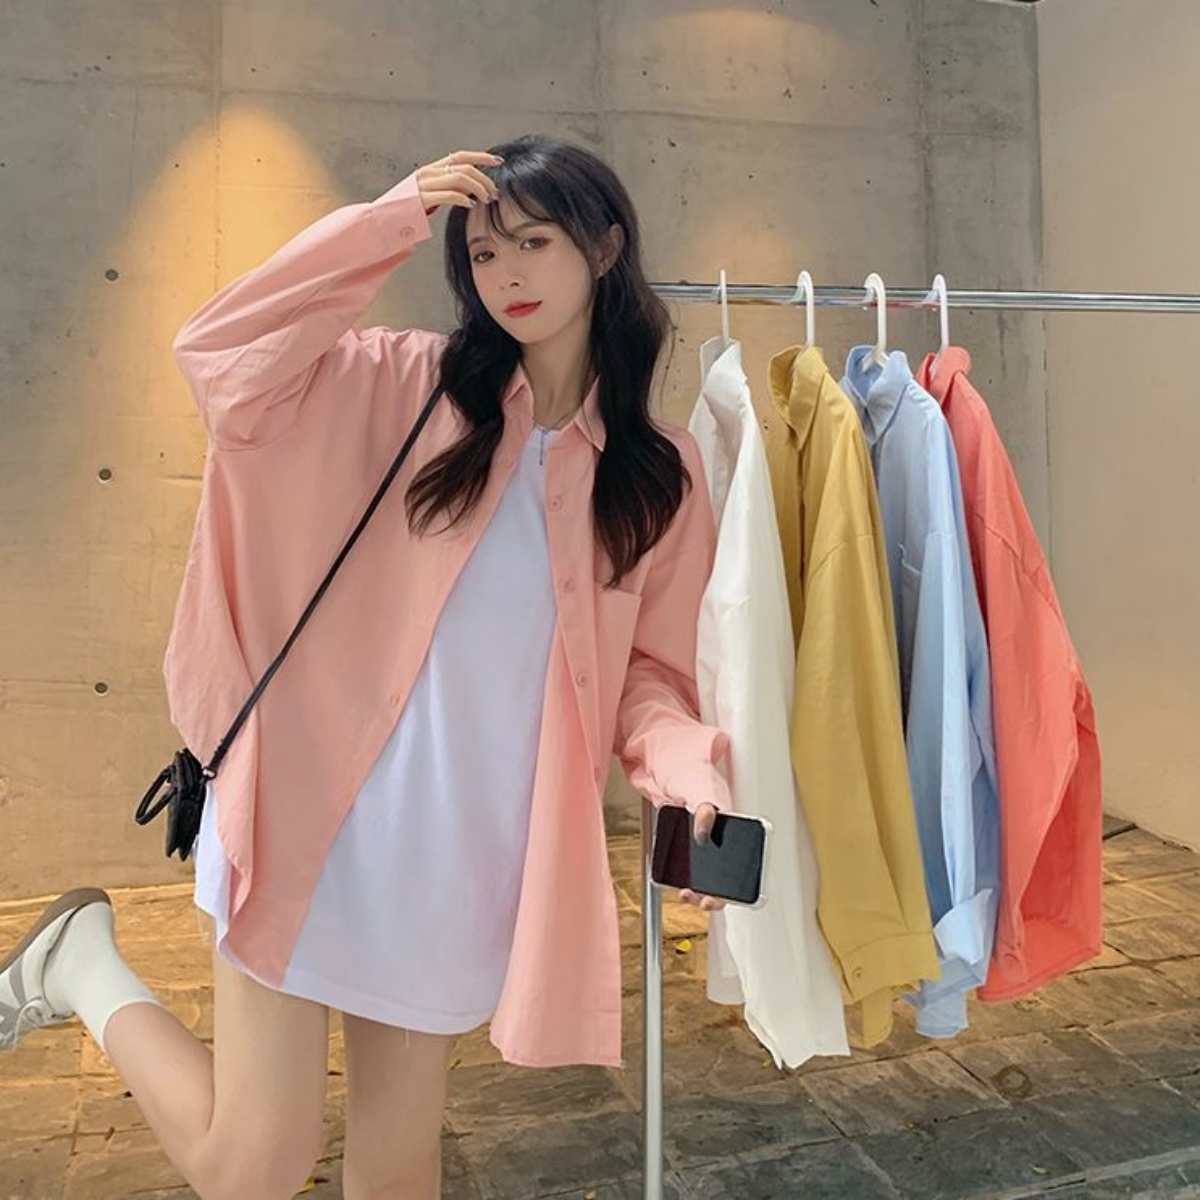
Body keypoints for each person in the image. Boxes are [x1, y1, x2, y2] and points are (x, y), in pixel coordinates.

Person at [0, 135, 731, 1199]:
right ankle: (81, 964)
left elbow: (651, 677)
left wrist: (688, 769)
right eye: (483, 253)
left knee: (396, 1168)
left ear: (606, 248)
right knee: (252, 1167)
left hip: (461, 858)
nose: (508, 274)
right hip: (314, 819)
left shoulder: (658, 472)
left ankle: (77, 961)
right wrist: (387, 221)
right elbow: (221, 354)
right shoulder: (399, 384)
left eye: (534, 242)